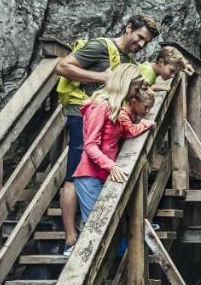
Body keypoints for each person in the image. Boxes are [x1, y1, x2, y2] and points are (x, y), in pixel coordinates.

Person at [55, 14, 161, 255]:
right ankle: (71, 238)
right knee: (73, 174)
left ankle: (98, 236)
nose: (142, 44)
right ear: (128, 27)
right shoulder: (101, 47)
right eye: (140, 37)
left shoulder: (127, 60)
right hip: (84, 114)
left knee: (92, 174)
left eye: (146, 42)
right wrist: (103, 77)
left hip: (106, 119)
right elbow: (62, 66)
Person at [73, 65, 155, 230]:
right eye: (136, 88)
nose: (138, 93)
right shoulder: (100, 105)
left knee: (110, 228)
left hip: (104, 174)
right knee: (96, 228)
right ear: (125, 84)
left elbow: (121, 134)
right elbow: (90, 145)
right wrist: (112, 166)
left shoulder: (115, 107)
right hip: (90, 175)